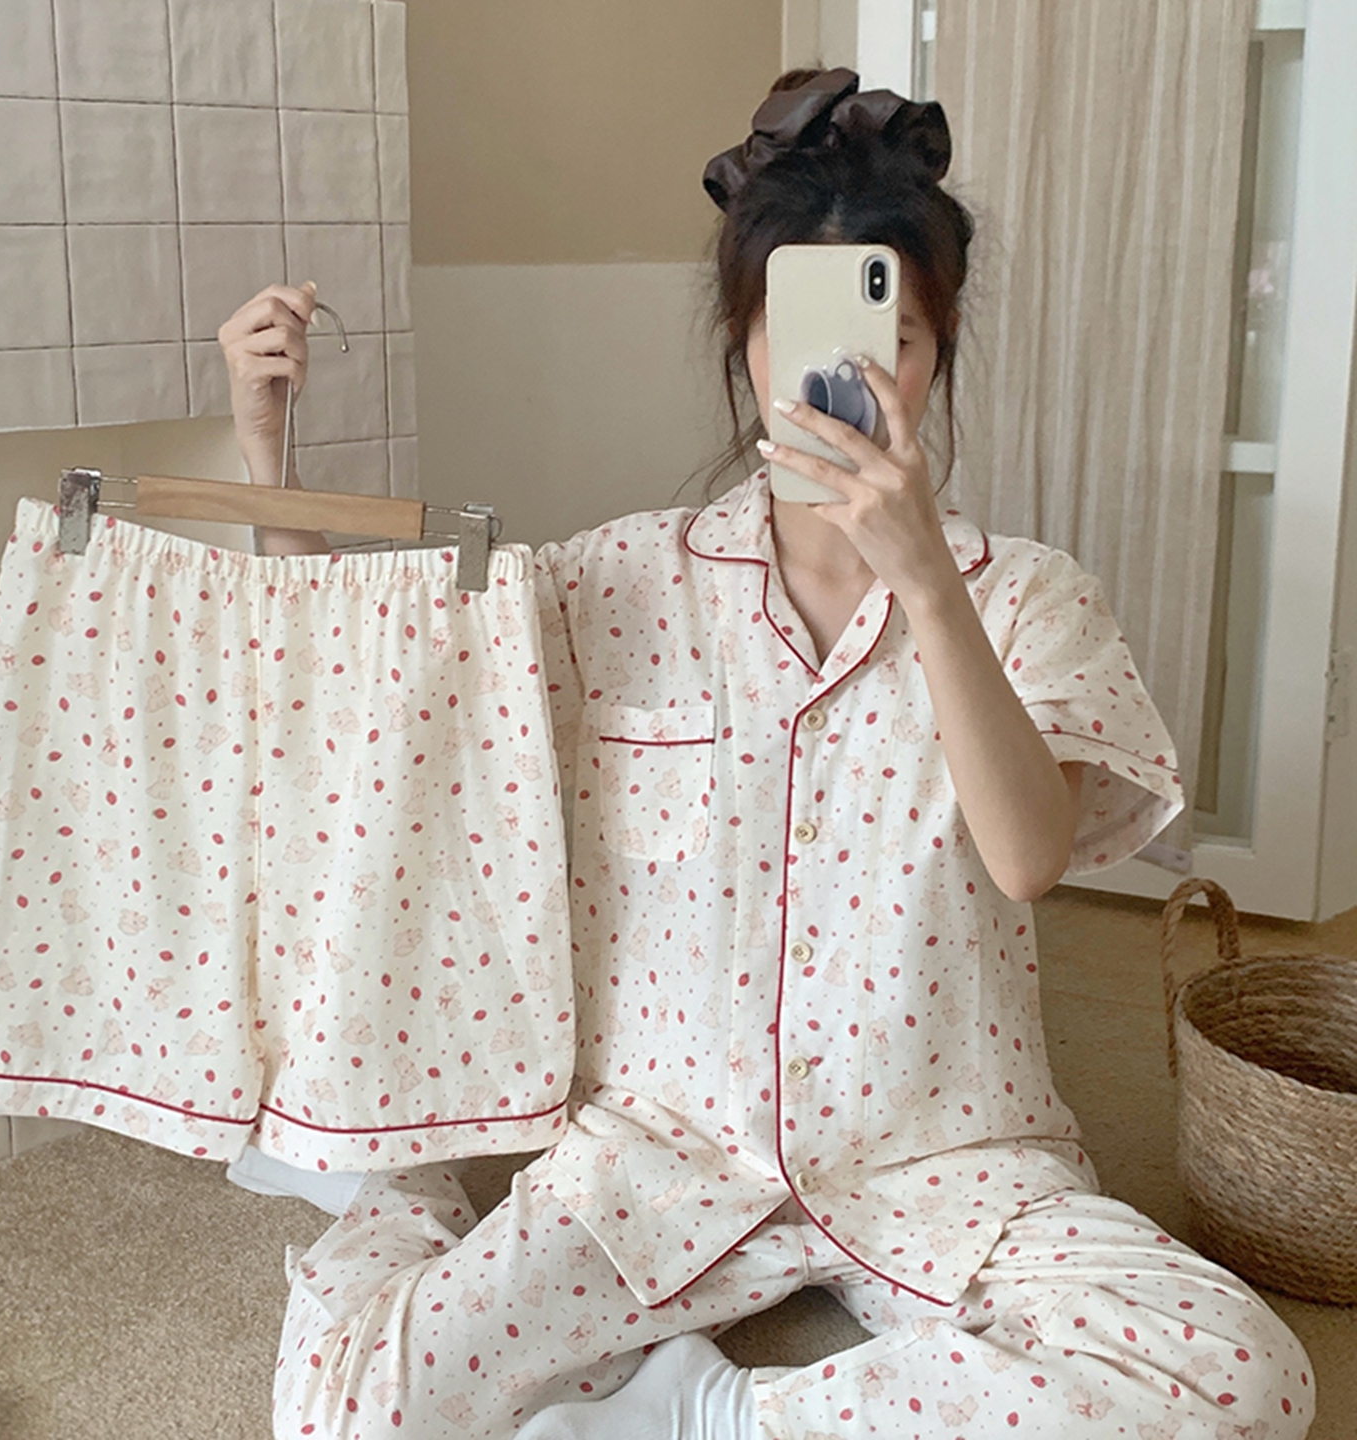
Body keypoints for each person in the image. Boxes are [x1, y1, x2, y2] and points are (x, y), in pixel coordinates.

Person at [220, 67, 1313, 1440]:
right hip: (660, 1155)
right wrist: (265, 456)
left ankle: (711, 1416)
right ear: (745, 347)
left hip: (947, 1155)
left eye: (897, 338)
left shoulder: (1028, 595)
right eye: (806, 338)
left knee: (1241, 1378)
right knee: (349, 1415)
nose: (854, 376)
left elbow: (1031, 858)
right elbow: (367, 689)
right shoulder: (621, 579)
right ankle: (403, 1183)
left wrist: (926, 583)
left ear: (940, 352)